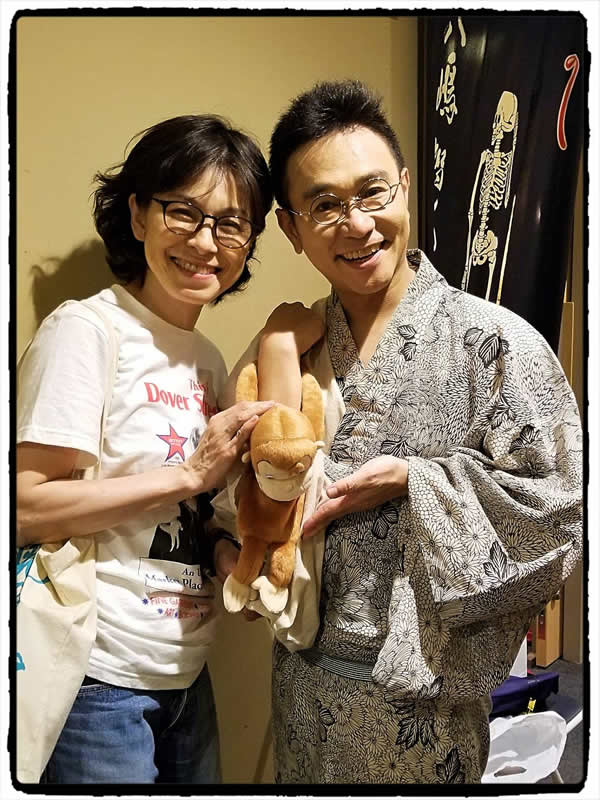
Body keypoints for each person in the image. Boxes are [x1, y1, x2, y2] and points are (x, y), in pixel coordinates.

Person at [257, 79, 583, 784]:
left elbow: (561, 514)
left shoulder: (496, 344)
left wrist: (415, 480)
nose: (357, 224)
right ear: (291, 227)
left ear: (405, 189)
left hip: (426, 719)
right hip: (300, 695)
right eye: (325, 205)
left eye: (372, 192)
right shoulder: (294, 347)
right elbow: (249, 496)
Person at [16, 114, 275, 784]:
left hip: (187, 673)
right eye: (183, 212)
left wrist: (231, 558)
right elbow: (27, 509)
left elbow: (193, 513)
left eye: (231, 223)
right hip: (98, 677)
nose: (206, 241)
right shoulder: (85, 331)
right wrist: (189, 472)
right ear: (137, 215)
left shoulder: (209, 359)